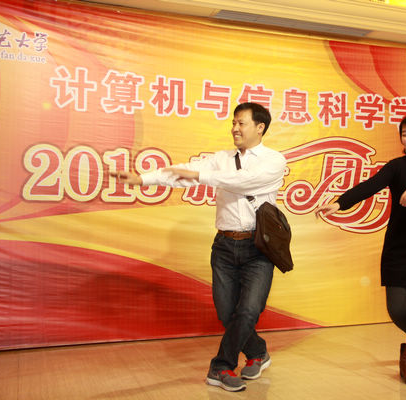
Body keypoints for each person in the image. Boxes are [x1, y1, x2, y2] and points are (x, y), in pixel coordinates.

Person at [111, 102, 286, 392]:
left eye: (241, 123)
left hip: (258, 248)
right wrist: (143, 179)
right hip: (225, 247)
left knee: (248, 310)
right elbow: (185, 172)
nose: (235, 128)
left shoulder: (274, 160)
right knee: (227, 313)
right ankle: (257, 352)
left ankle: (221, 367)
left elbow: (244, 182)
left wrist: (201, 177)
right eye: (233, 123)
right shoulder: (221, 158)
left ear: (260, 127)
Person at [314, 113, 406, 386]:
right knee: (397, 310)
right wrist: (340, 203)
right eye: (404, 133)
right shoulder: (396, 167)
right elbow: (369, 186)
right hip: (399, 248)